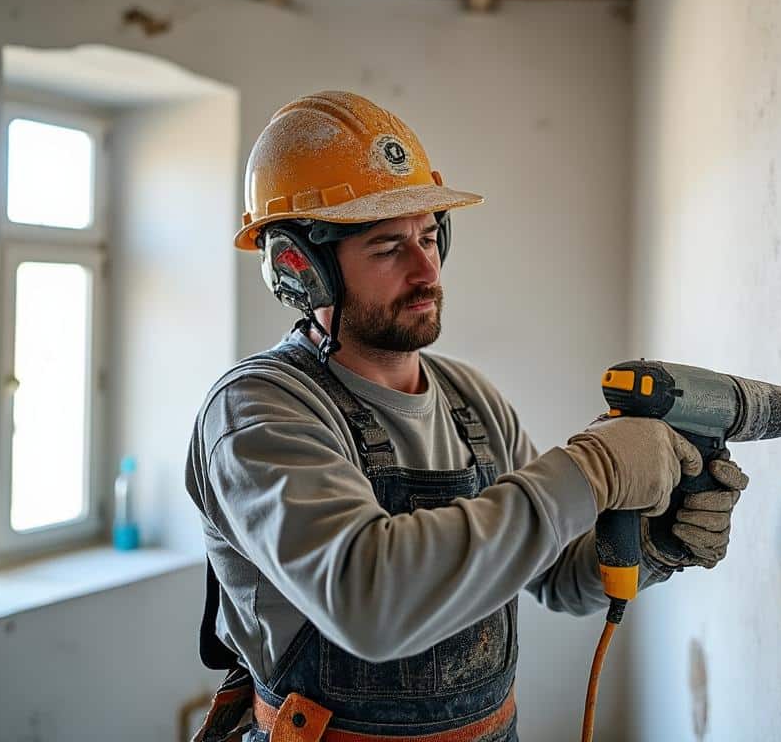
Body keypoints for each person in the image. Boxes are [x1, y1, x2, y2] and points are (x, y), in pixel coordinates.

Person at [185, 91, 749, 742]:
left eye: (429, 236)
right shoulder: (258, 411)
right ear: (300, 270)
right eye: (387, 247)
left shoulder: (468, 399)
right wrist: (590, 471)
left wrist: (653, 544)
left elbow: (560, 575)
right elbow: (371, 601)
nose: (427, 270)